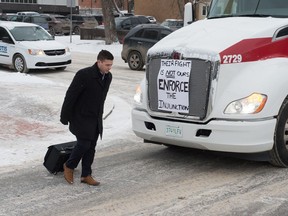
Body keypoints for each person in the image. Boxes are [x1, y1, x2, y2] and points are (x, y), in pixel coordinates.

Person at [60, 50, 113, 186]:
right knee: (83, 144)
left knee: (91, 147)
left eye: (110, 65)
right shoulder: (84, 75)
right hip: (81, 116)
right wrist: (64, 116)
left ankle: (86, 175)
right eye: (107, 65)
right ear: (99, 62)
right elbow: (71, 95)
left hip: (95, 117)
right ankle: (69, 166)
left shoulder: (108, 77)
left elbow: (101, 98)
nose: (109, 68)